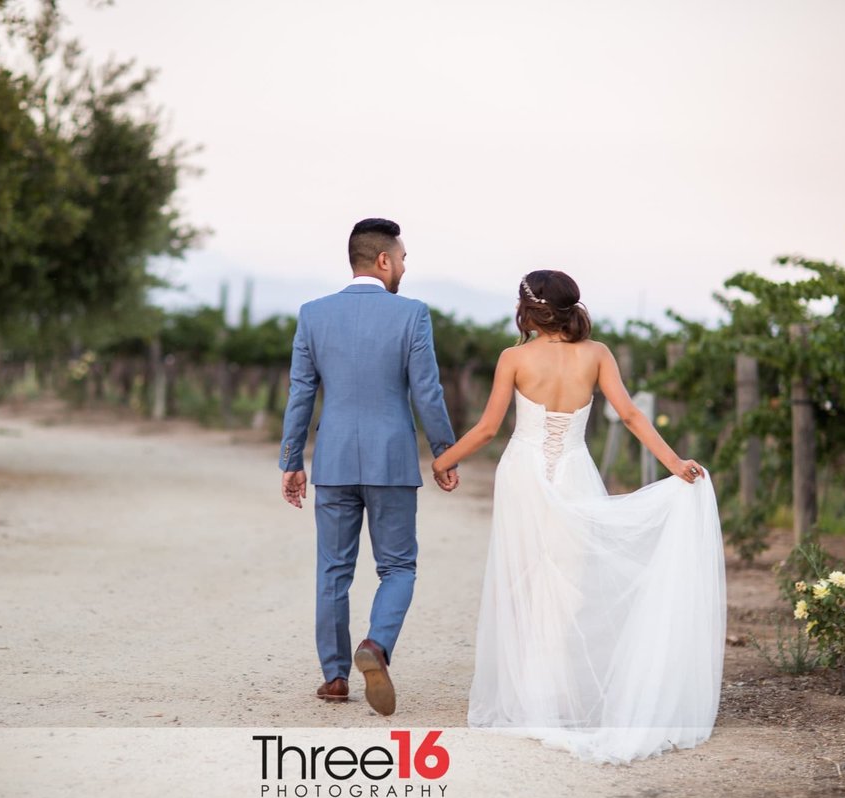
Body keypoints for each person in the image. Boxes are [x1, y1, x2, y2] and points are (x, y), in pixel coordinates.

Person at [432, 269, 726, 764]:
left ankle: (533, 696)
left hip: (524, 474)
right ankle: (557, 693)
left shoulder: (514, 358)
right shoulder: (597, 355)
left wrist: (442, 460)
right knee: (569, 584)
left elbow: (486, 429)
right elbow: (631, 415)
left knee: (525, 581)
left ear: (527, 309)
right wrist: (674, 462)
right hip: (574, 472)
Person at [278, 218, 458, 716]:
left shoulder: (313, 315)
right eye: (401, 258)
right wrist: (445, 450)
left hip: (333, 459)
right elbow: (427, 390)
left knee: (332, 571)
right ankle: (375, 646)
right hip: (392, 461)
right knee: (398, 566)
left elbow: (301, 393)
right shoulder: (412, 315)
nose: (403, 267)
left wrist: (292, 460)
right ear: (383, 260)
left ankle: (335, 678)